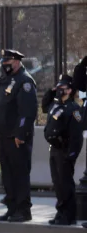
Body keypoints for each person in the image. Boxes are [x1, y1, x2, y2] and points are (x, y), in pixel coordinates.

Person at [0, 49, 38, 222]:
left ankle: (23, 209)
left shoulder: (25, 81)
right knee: (8, 174)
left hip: (17, 136)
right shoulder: (6, 80)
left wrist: (20, 134)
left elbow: (27, 112)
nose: (4, 65)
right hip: (4, 135)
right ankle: (12, 207)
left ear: (16, 61)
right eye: (3, 62)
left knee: (19, 173)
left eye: (7, 62)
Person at [41, 74, 82, 225]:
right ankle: (60, 212)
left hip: (65, 150)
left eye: (62, 87)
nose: (59, 90)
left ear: (70, 90)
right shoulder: (55, 104)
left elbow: (77, 136)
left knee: (66, 184)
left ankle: (69, 215)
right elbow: (44, 106)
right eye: (58, 87)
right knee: (57, 183)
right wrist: (51, 92)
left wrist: (72, 154)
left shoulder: (74, 109)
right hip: (55, 149)